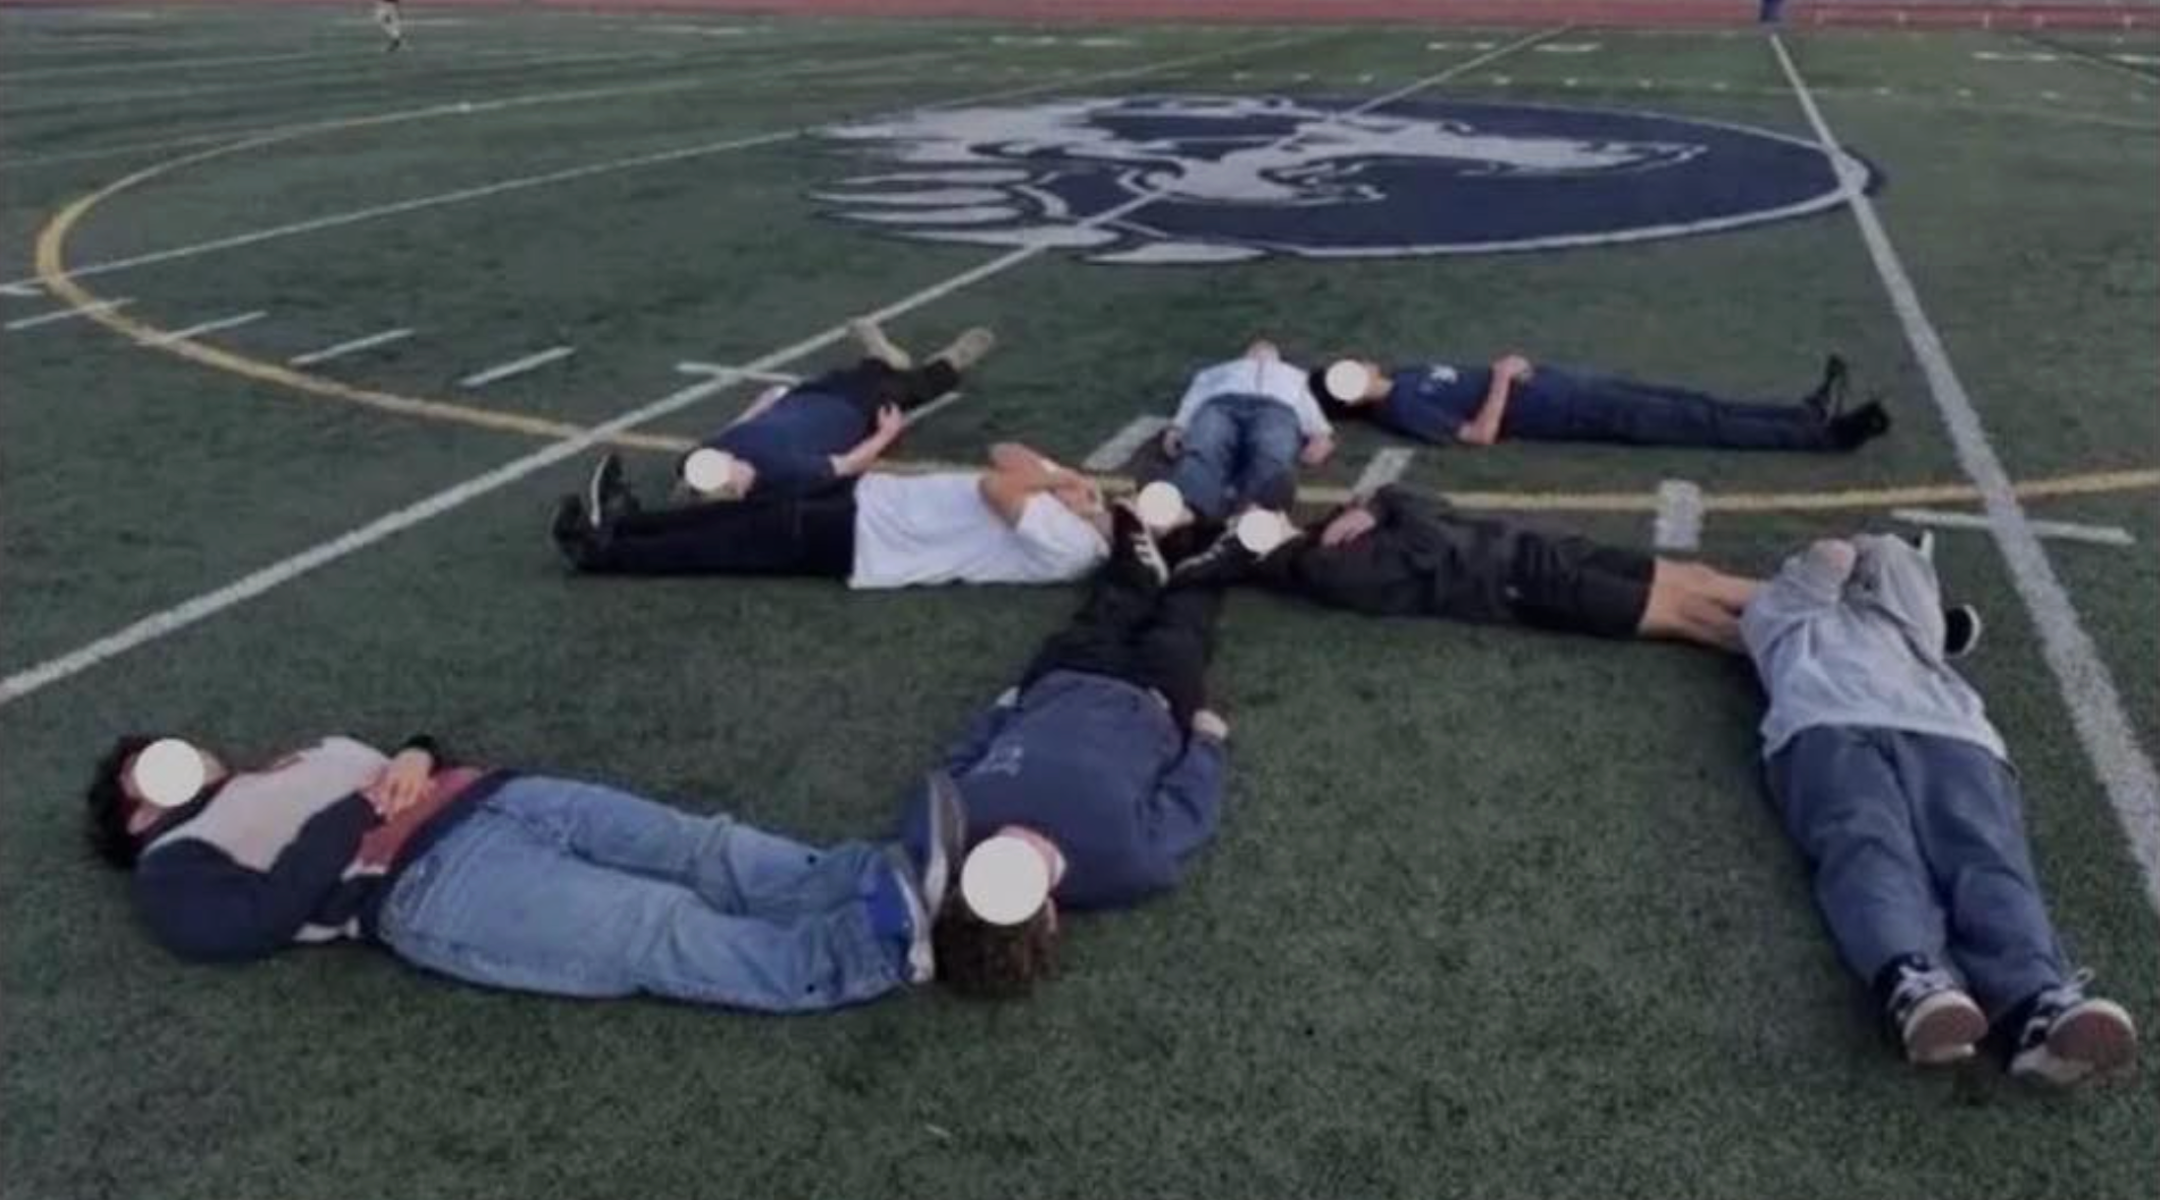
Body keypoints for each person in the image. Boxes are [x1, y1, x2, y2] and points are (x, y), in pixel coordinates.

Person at [85, 730, 969, 1013]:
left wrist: (416, 751)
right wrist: (363, 807)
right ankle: (868, 953)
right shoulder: (169, 865)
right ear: (135, 813)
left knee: (703, 846)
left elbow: (415, 749)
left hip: (498, 796)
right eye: (145, 765)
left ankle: (874, 876)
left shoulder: (288, 757)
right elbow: (250, 922)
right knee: (651, 925)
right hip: (428, 887)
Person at [1742, 534, 2136, 1083]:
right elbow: (1829, 559)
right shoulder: (1777, 612)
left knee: (1987, 857)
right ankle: (1913, 976)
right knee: (1870, 844)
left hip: (1944, 732)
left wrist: (1889, 558)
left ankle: (2036, 1003)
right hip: (1829, 724)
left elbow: (1905, 579)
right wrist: (1873, 548)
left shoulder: (1914, 633)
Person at [896, 505, 1232, 997]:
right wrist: (1207, 740)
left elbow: (957, 761)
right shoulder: (1128, 863)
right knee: (1184, 623)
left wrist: (1001, 709)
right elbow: (1187, 806)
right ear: (1049, 914)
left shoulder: (944, 826)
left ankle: (1143, 555)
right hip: (1154, 696)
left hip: (1063, 677)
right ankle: (1208, 549)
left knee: (1110, 605)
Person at [1170, 484, 1763, 651]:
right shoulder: (1324, 570)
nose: (1261, 509)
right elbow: (1431, 539)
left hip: (1531, 545)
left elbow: (1428, 504)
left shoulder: (1333, 530)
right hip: (1521, 584)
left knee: (1699, 577)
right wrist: (1381, 509)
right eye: (1249, 519)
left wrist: (1376, 504)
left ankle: (1818, 602)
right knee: (1691, 616)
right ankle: (1809, 654)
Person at [551, 441, 1109, 587]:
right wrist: (1065, 484)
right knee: (736, 515)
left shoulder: (1077, 547)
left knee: (731, 542)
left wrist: (1061, 481)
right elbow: (1005, 452)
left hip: (871, 540)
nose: (1100, 499)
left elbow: (995, 486)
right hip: (875, 503)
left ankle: (603, 553)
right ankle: (626, 523)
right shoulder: (1069, 513)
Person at [1307, 351, 1889, 452]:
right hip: (1567, 413)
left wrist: (1522, 370)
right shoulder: (1402, 407)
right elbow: (1479, 436)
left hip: (1562, 386)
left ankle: (1802, 414)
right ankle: (1824, 436)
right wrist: (1506, 382)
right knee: (1693, 423)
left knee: (1693, 402)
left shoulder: (1406, 376)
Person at [682, 320, 992, 501]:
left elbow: (731, 430)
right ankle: (952, 360)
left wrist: (762, 405)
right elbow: (846, 464)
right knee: (908, 388)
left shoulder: (710, 457)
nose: (721, 454)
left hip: (808, 397)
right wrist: (885, 435)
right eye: (722, 463)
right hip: (857, 414)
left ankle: (883, 357)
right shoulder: (785, 473)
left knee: (861, 376)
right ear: (735, 484)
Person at [1152, 339, 1336, 525]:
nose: (1262, 350)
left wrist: (1320, 434)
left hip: (1276, 409)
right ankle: (1187, 511)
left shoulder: (1294, 375)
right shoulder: (1219, 371)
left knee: (1272, 451)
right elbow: (1196, 395)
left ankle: (1254, 516)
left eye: (1268, 349)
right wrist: (1178, 426)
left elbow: (1306, 402)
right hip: (1221, 404)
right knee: (1204, 446)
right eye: (1257, 348)